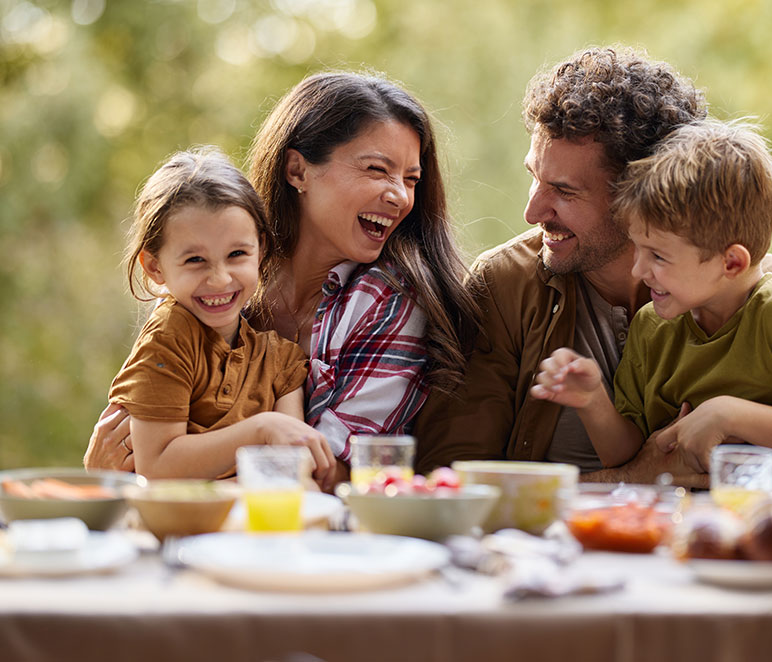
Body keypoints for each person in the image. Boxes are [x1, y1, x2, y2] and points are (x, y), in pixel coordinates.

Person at [414, 46, 772, 487]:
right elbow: (451, 481)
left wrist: (733, 438)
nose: (533, 211)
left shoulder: (759, 291)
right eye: (534, 178)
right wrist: (650, 472)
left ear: (638, 195)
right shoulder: (505, 285)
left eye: (564, 191)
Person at [85, 72, 479, 484]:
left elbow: (319, 471)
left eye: (411, 179)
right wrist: (106, 475)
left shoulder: (386, 301)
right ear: (297, 170)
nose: (400, 195)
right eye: (377, 169)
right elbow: (145, 448)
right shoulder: (221, 283)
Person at [530, 118, 772, 474]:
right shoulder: (652, 326)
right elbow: (627, 457)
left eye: (659, 257)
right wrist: (592, 401)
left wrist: (727, 415)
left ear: (731, 262)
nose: (639, 271)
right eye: (639, 250)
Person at [106, 147, 336, 486]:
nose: (219, 279)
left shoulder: (281, 361)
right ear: (155, 267)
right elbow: (156, 466)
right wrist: (262, 429)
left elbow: (292, 473)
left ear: (260, 248)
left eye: (237, 254)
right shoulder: (169, 338)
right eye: (195, 260)